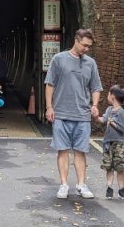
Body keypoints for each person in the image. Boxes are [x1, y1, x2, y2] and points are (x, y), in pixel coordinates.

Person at [44, 28, 103, 199]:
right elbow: (50, 84)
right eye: (84, 45)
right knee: (62, 150)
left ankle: (81, 184)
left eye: (89, 47)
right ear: (76, 40)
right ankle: (63, 184)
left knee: (80, 150)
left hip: (82, 115)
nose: (86, 49)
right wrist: (49, 107)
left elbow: (96, 87)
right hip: (61, 113)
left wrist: (95, 104)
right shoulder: (59, 59)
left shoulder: (90, 63)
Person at [98, 85, 124, 200]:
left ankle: (122, 189)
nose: (107, 96)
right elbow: (103, 120)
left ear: (113, 96)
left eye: (108, 94)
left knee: (120, 167)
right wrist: (96, 117)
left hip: (119, 143)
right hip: (108, 142)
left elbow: (123, 128)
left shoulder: (122, 112)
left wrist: (112, 123)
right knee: (109, 166)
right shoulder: (108, 110)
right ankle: (109, 188)